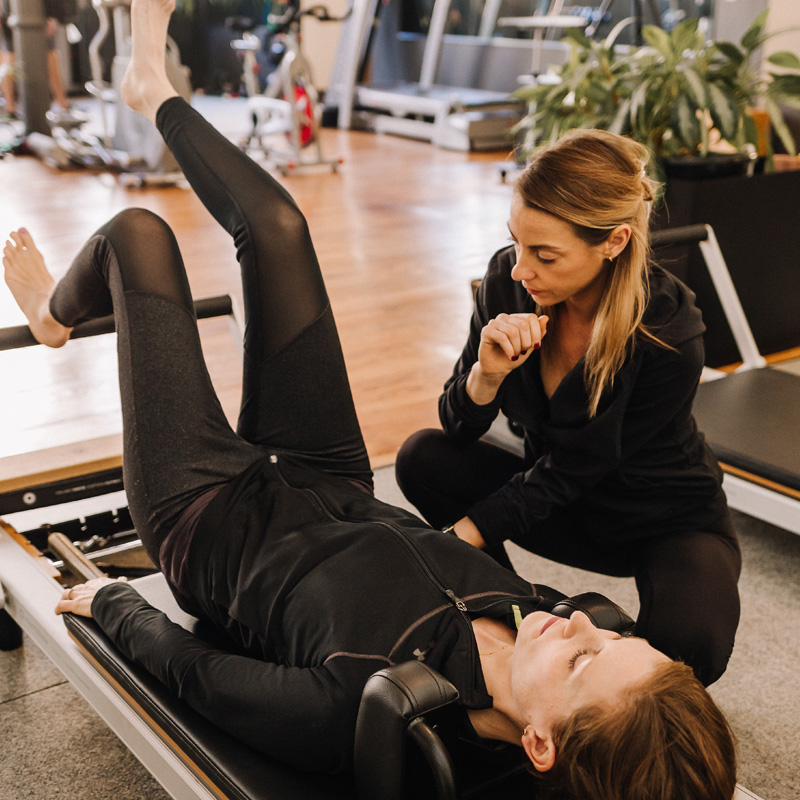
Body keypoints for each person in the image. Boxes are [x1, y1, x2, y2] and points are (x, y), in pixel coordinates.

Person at [2, 2, 736, 797]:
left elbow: (198, 673)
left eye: (585, 655)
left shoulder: (365, 702)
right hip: (334, 477)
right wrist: (486, 382)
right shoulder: (544, 621)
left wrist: (111, 604)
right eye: (617, 635)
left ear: (538, 743)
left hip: (207, 519)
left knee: (139, 234)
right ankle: (155, 89)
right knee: (279, 226)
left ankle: (52, 317)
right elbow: (469, 434)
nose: (584, 621)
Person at [395, 128, 742, 688]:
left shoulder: (670, 332)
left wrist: (460, 538)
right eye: (518, 243)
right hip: (561, 507)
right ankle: (512, 620)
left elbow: (581, 463)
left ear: (613, 241)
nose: (519, 269)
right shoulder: (509, 287)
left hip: (663, 519)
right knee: (421, 459)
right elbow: (457, 425)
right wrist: (486, 375)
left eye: (545, 254)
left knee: (689, 651)